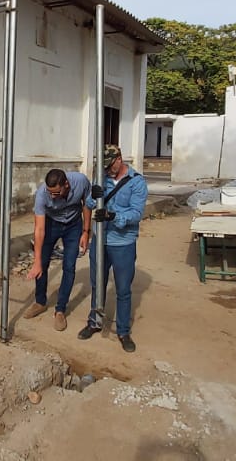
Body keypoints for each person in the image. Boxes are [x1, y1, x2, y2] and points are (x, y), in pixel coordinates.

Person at [78, 145, 147, 353]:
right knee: (97, 283)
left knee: (123, 289)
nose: (108, 171)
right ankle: (95, 322)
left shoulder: (137, 182)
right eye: (104, 168)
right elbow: (90, 203)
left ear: (119, 159)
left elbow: (136, 213)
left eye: (110, 166)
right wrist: (94, 195)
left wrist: (114, 216)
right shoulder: (102, 177)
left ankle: (123, 331)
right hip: (101, 241)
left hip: (123, 242)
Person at [25, 168, 94, 332]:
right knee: (42, 263)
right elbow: (39, 229)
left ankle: (60, 309)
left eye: (56, 193)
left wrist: (86, 232)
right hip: (51, 224)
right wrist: (36, 262)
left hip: (73, 225)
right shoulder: (42, 194)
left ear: (66, 185)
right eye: (50, 192)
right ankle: (40, 302)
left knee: (69, 267)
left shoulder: (80, 181)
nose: (52, 196)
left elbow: (87, 204)